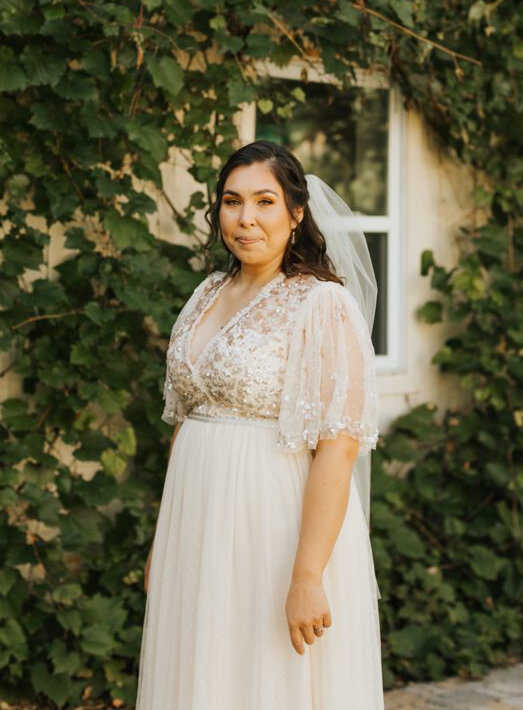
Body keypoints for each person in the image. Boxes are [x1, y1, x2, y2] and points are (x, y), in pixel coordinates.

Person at [134, 140, 385, 709]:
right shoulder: (205, 295)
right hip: (196, 525)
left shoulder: (322, 304)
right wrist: (162, 543)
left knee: (263, 679)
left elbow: (338, 446)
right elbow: (190, 418)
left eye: (265, 201)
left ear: (296, 214)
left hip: (271, 527)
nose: (246, 218)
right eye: (231, 201)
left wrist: (307, 574)